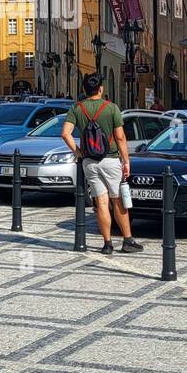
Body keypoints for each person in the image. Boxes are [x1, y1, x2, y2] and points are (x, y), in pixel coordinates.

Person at [62, 73, 143, 257]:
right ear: (101, 89)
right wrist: (126, 161)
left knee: (101, 202)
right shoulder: (111, 108)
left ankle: (107, 244)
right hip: (111, 159)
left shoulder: (77, 108)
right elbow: (121, 137)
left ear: (84, 90)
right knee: (118, 200)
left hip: (90, 162)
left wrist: (78, 151)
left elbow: (65, 134)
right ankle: (128, 240)